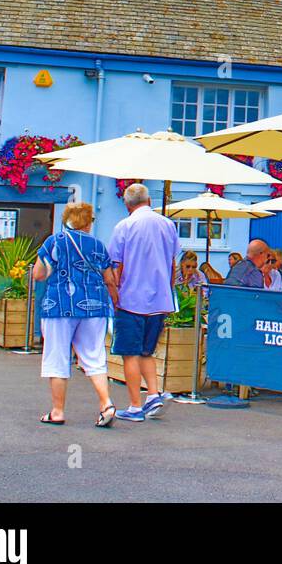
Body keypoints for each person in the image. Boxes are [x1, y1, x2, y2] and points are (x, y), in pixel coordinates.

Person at [32, 202, 117, 428]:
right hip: (94, 306)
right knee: (94, 356)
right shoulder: (99, 246)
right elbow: (110, 279)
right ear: (89, 222)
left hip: (59, 305)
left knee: (57, 356)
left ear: (67, 220)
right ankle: (106, 404)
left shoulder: (54, 241)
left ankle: (57, 411)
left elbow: (38, 274)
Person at [105, 183, 179, 422]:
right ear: (149, 201)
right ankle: (153, 394)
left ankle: (136, 405)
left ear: (127, 204)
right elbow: (172, 264)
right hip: (159, 298)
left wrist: (114, 292)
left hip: (131, 298)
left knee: (130, 353)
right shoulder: (168, 224)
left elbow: (116, 263)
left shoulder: (124, 226)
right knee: (147, 350)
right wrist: (169, 290)